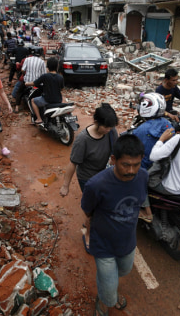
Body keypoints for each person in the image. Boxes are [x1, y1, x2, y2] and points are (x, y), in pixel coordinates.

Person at [80, 134, 147, 316]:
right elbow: (87, 210)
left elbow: (142, 198)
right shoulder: (96, 185)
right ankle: (103, 302)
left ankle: (106, 288)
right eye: (126, 164)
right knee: (109, 287)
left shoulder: (143, 176)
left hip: (128, 242)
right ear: (113, 160)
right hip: (103, 245)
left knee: (123, 271)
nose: (131, 170)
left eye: (136, 164)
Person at [60, 104, 119, 251]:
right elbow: (73, 163)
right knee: (93, 209)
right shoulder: (83, 140)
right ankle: (87, 233)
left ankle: (95, 223)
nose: (109, 130)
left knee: (106, 204)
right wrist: (65, 185)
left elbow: (117, 149)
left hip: (105, 173)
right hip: (88, 178)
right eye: (106, 127)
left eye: (111, 127)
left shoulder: (111, 132)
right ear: (97, 122)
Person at [131, 92, 173, 170]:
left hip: (142, 169)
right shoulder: (167, 124)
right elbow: (172, 132)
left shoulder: (140, 130)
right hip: (161, 168)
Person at [25, 57, 64, 125]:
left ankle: (39, 119)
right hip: (58, 100)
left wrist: (26, 83)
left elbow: (34, 83)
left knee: (33, 101)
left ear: (48, 67)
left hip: (47, 100)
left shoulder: (45, 76)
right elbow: (62, 88)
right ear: (57, 66)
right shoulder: (60, 77)